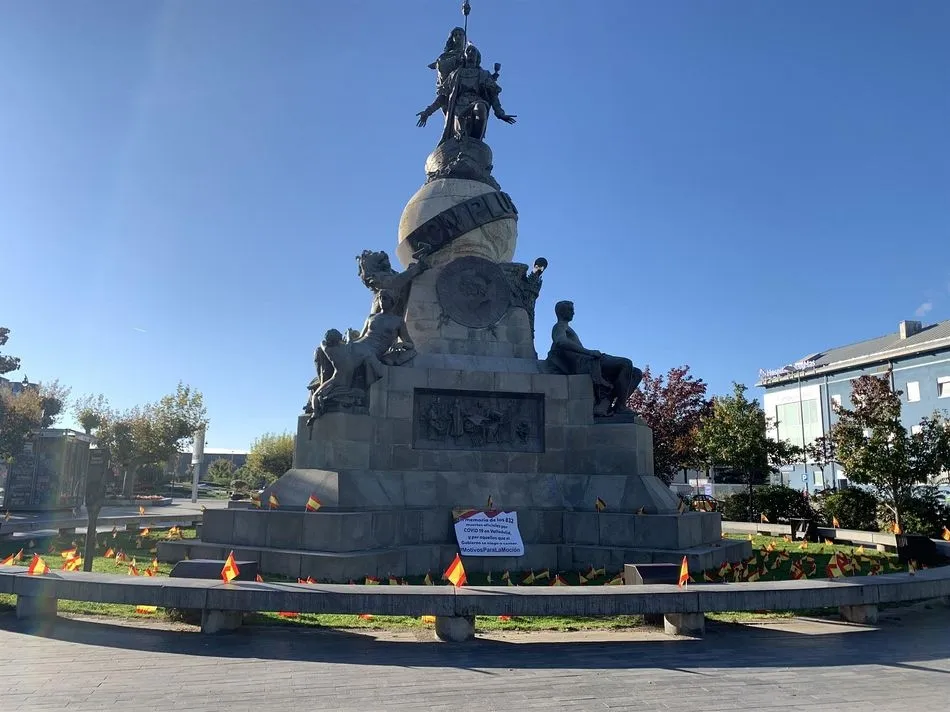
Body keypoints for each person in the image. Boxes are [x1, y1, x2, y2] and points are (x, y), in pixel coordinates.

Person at [546, 300, 642, 417]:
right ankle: (620, 407)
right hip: (584, 363)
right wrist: (589, 352)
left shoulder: (567, 328)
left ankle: (609, 401)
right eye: (570, 310)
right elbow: (561, 342)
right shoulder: (559, 326)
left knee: (636, 373)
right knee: (626, 364)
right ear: (561, 311)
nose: (573, 313)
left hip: (588, 359)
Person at [416, 44, 516, 144]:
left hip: (477, 101)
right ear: (464, 55)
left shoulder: (484, 74)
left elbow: (493, 95)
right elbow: (443, 97)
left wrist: (500, 113)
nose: (471, 53)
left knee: (480, 108)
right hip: (459, 107)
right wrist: (427, 112)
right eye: (468, 51)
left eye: (473, 51)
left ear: (478, 57)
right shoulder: (455, 74)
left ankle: (476, 142)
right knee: (460, 137)